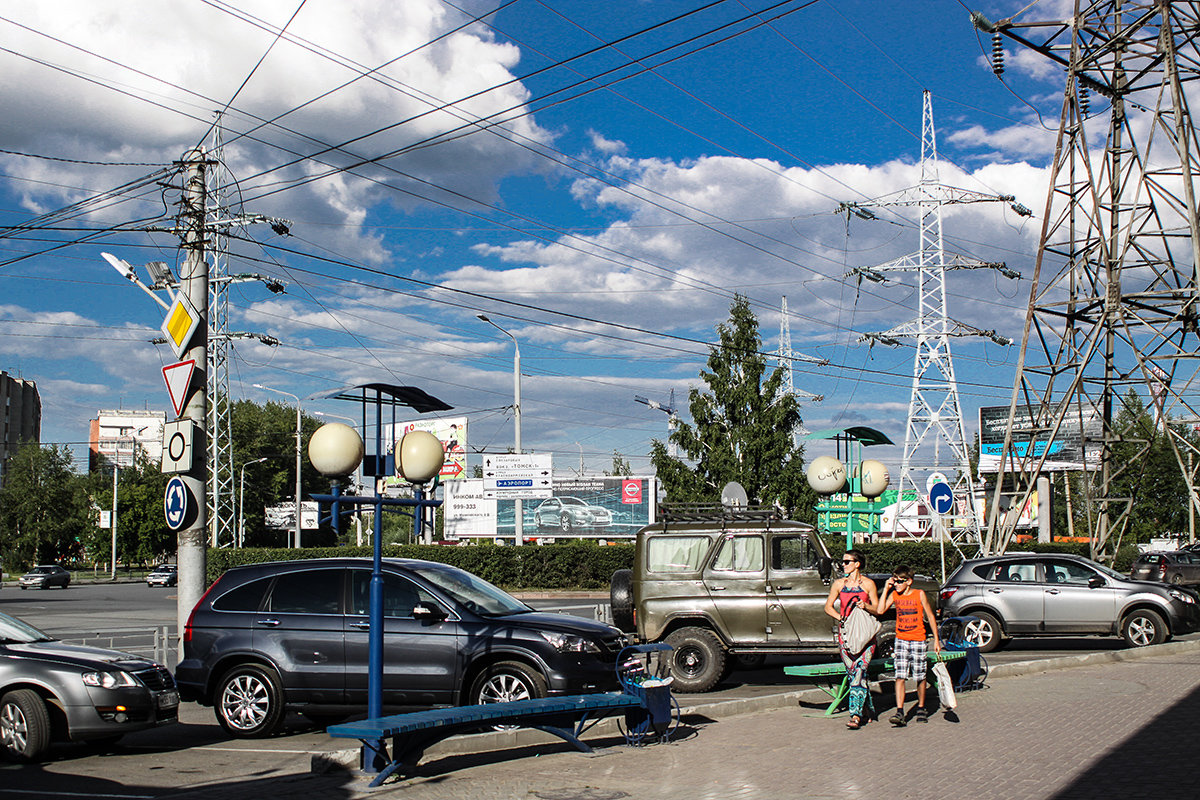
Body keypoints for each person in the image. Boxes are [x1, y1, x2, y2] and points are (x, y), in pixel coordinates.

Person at [876, 564, 941, 726]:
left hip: (918, 639)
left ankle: (921, 706)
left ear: (909, 581)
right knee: (900, 675)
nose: (896, 584)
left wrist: (937, 640)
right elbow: (880, 609)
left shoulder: (919, 595)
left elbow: (931, 617)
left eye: (900, 581)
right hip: (901, 639)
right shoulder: (894, 595)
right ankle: (899, 711)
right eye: (895, 581)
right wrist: (886, 589)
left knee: (920, 675)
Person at [823, 549, 880, 730]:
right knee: (855, 674)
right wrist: (841, 618)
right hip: (846, 635)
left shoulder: (868, 584)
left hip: (865, 636)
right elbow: (828, 607)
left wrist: (866, 606)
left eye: (847, 562)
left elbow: (878, 609)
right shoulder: (839, 584)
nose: (843, 565)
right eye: (843, 562)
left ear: (857, 564)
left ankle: (855, 715)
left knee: (859, 672)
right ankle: (868, 710)